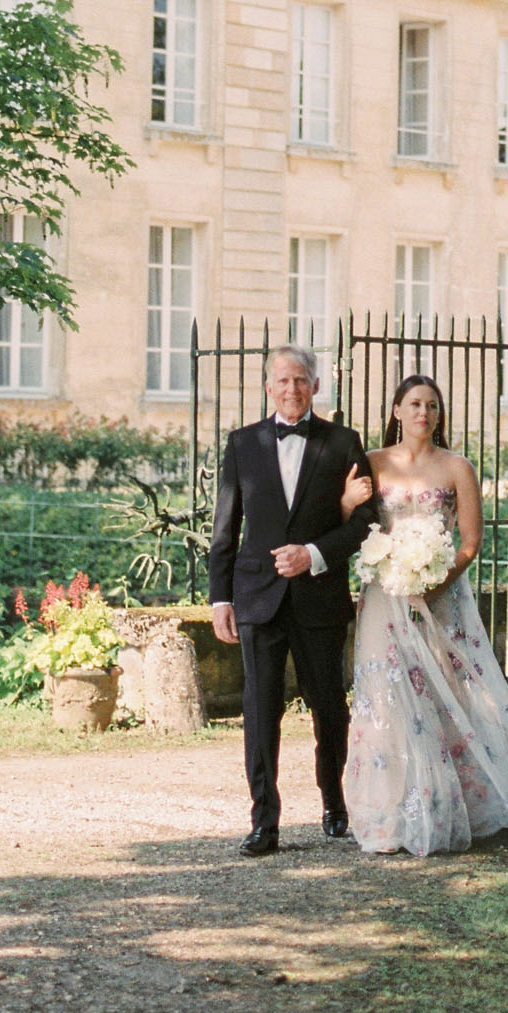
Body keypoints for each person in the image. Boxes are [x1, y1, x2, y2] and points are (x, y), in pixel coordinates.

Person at [341, 372, 508, 856]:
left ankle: (464, 801)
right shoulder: (371, 463)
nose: (424, 413)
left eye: (433, 406)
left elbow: (470, 542)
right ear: (396, 410)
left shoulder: (457, 467)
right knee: (390, 690)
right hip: (385, 595)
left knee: (454, 689)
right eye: (415, 404)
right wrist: (346, 505)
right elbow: (349, 525)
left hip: (443, 595)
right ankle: (395, 810)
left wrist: (433, 580)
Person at [209, 344, 374, 857]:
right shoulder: (241, 444)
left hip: (319, 597)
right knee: (260, 712)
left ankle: (334, 802)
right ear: (267, 388)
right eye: (282, 381)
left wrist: (314, 554)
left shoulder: (344, 443)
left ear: (316, 386)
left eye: (301, 380)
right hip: (257, 598)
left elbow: (366, 524)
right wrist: (220, 599)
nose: (291, 389)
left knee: (329, 708)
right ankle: (265, 820)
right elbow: (224, 529)